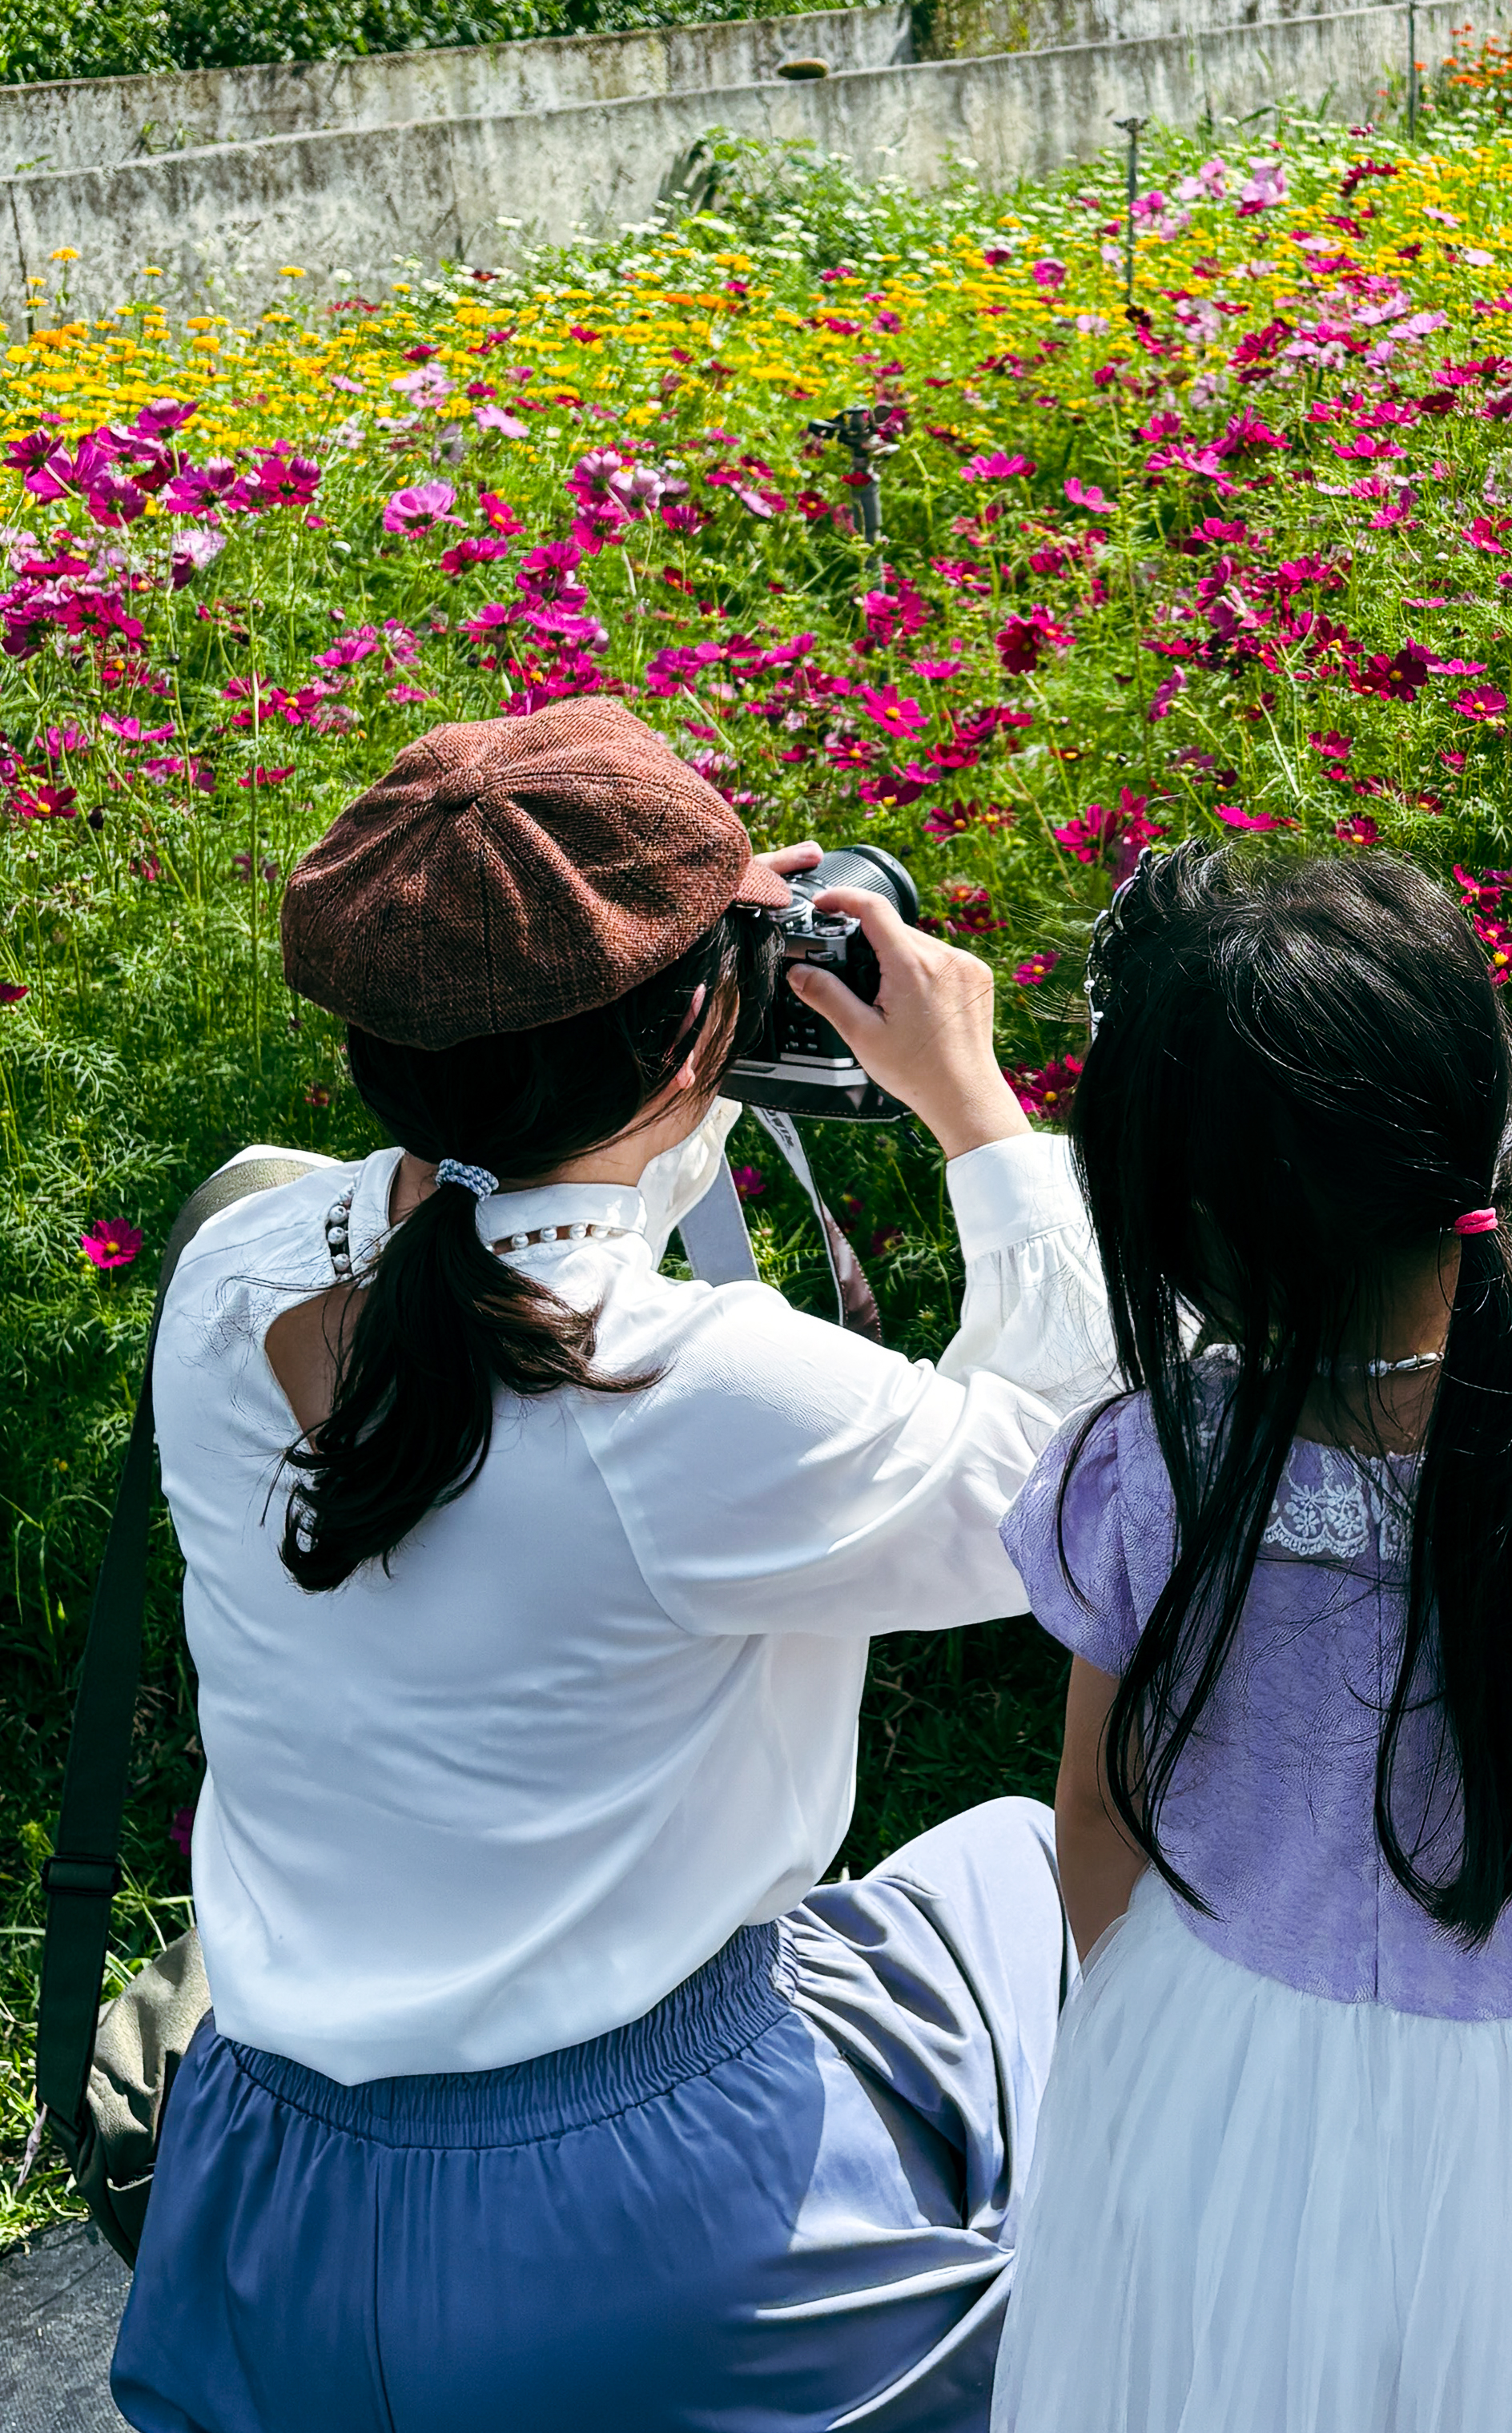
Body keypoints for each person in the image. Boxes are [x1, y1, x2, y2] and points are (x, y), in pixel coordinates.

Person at [111, 702, 1114, 2433]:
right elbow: (1072, 1487)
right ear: (684, 1041)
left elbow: (500, 1265)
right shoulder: (692, 1394)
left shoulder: (232, 1278)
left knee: (998, 1884)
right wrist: (978, 1112)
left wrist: (674, 1049)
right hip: (642, 2234)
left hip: (263, 2200)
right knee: (1038, 1885)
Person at [991, 843, 1512, 2433]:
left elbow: (1096, 1808)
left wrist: (1160, 2033)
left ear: (1180, 1204)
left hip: (1217, 2031)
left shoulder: (1144, 1472)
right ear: (1477, 1122)